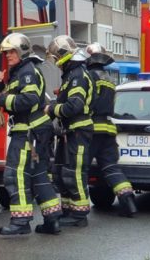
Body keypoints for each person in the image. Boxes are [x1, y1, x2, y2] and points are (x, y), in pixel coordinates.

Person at [0, 32, 62, 235]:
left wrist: (2, 100)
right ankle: (52, 219)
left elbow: (28, 99)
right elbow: (16, 95)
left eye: (12, 51)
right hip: (36, 132)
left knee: (16, 175)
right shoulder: (22, 70)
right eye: (6, 52)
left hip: (28, 133)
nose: (8, 55)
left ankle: (20, 223)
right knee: (39, 175)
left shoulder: (27, 71)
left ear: (22, 51)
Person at [85, 42, 138, 217]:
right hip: (108, 129)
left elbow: (87, 102)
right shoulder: (108, 79)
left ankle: (75, 210)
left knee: (79, 169)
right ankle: (128, 202)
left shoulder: (89, 76)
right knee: (111, 167)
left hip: (92, 128)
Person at [45, 35, 93, 227]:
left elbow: (74, 106)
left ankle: (80, 215)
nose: (56, 63)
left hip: (79, 131)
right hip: (69, 131)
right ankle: (68, 210)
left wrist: (52, 109)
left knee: (75, 173)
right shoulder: (71, 75)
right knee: (63, 173)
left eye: (56, 59)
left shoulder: (77, 76)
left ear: (63, 56)